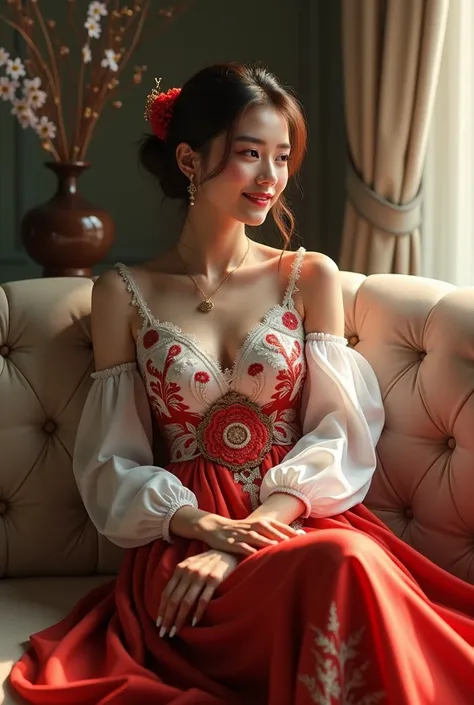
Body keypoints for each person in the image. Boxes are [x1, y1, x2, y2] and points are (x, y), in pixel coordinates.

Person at [9, 62, 474, 705]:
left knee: (346, 563)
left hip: (295, 522)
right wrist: (207, 531)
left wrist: (246, 536)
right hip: (185, 544)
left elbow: (340, 430)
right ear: (189, 160)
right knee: (338, 569)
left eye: (282, 158)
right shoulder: (123, 292)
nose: (271, 178)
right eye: (250, 154)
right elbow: (111, 461)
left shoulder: (309, 276)